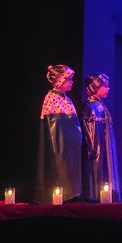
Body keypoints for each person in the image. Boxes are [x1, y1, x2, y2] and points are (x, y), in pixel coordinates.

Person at [37, 64, 83, 204]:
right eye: (68, 79)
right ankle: (62, 194)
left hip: (70, 144)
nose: (72, 82)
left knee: (71, 168)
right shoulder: (51, 98)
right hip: (59, 144)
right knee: (60, 168)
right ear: (60, 81)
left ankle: (72, 193)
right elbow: (54, 127)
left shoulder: (67, 99)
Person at [82, 73, 120, 201]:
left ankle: (105, 194)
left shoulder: (99, 105)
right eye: (105, 86)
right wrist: (95, 148)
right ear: (95, 88)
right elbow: (91, 131)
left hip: (103, 145)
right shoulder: (92, 106)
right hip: (98, 147)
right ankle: (97, 195)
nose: (108, 89)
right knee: (98, 168)